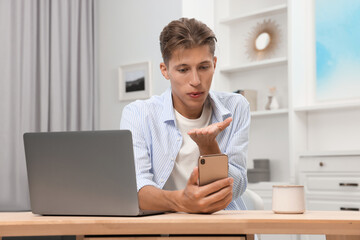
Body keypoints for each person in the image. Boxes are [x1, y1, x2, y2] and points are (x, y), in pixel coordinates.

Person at [120, 18, 250, 213]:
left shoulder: (236, 107)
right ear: (165, 71)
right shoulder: (138, 114)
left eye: (204, 67)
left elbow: (236, 188)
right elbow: (137, 190)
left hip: (222, 225)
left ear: (214, 64)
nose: (196, 81)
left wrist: (209, 148)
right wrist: (181, 201)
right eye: (183, 70)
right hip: (164, 228)